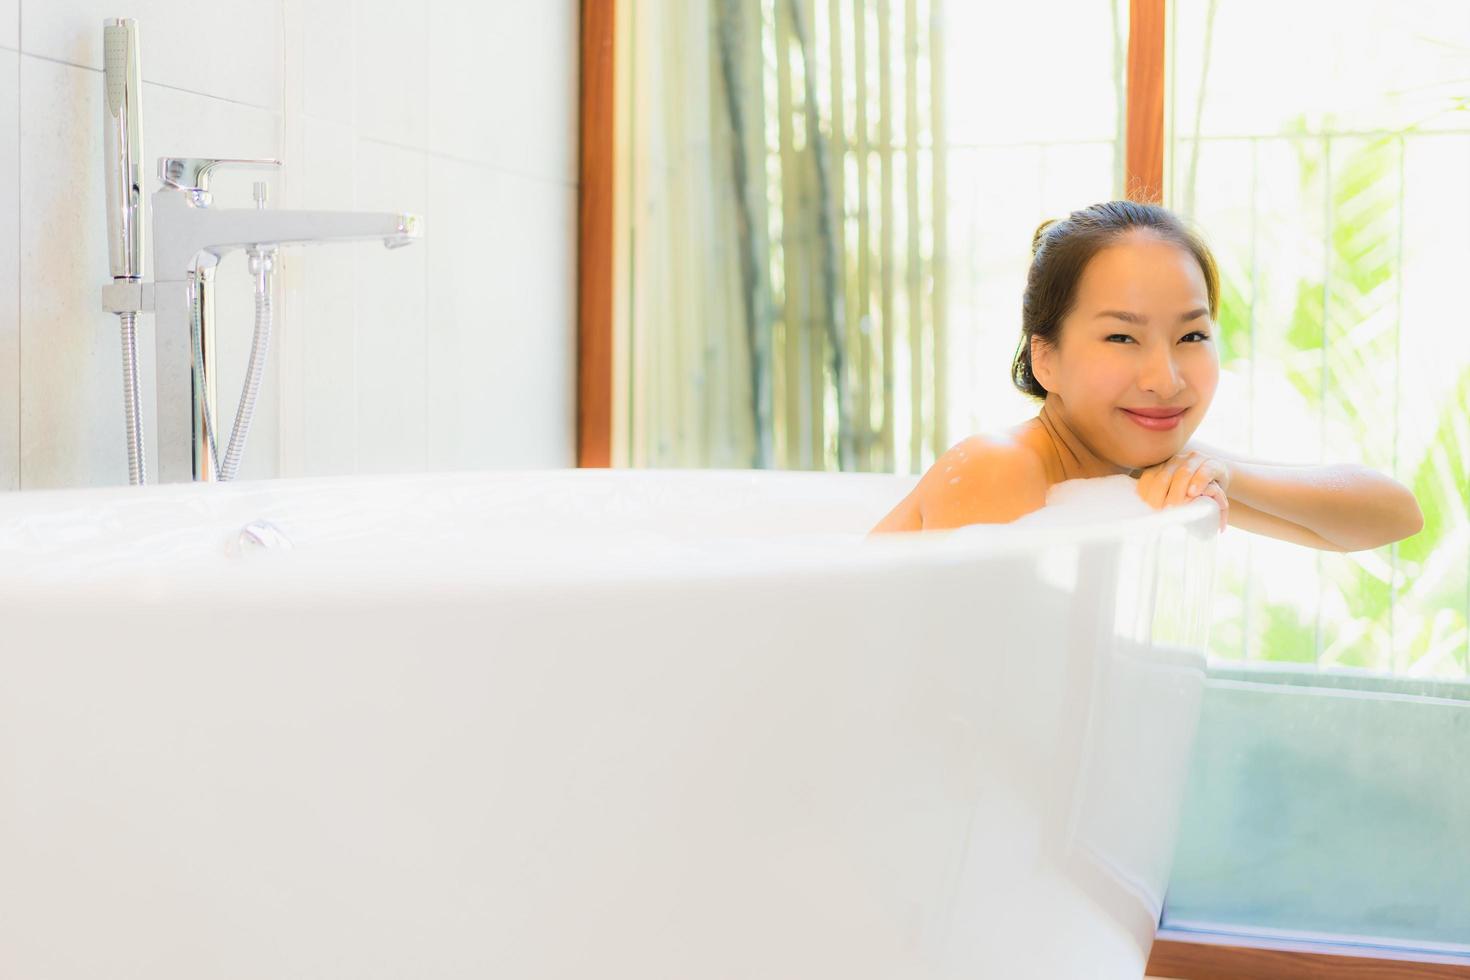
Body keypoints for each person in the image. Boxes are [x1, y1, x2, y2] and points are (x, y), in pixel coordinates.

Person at [869, 200, 1422, 551]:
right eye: (1121, 337)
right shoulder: (998, 467)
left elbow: (1394, 514)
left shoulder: (1144, 459)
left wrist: (1225, 474)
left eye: (1192, 336)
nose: (1165, 378)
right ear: (1045, 358)